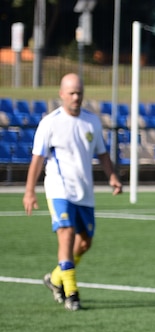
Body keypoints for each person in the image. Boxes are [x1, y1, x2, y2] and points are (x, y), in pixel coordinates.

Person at [22, 73, 123, 311]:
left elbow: (102, 153)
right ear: (61, 94)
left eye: (79, 93)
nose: (76, 97)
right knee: (66, 233)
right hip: (59, 188)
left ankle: (56, 279)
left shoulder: (92, 122)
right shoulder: (50, 122)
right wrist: (29, 191)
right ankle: (71, 293)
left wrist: (112, 177)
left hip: (84, 190)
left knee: (85, 242)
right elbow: (37, 159)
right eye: (72, 93)